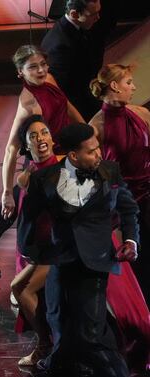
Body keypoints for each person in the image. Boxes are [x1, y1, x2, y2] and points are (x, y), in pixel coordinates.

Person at [18, 123, 139, 377]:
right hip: (60, 263)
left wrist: (130, 240)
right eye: (92, 151)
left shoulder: (109, 171)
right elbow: (28, 217)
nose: (99, 155)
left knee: (90, 335)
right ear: (74, 156)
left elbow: (128, 209)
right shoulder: (45, 178)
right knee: (60, 326)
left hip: (95, 263)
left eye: (98, 149)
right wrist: (29, 249)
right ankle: (55, 365)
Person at [0, 45, 83, 275]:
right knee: (23, 206)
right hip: (46, 159)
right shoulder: (28, 103)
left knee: (25, 204)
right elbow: (11, 149)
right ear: (20, 72)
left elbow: (66, 105)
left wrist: (86, 130)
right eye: (33, 67)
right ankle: (31, 268)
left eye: (42, 65)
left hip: (63, 155)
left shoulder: (49, 78)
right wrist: (6, 191)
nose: (40, 71)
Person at [89, 64, 150, 304]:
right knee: (137, 261)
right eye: (128, 83)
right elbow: (93, 170)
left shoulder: (141, 113)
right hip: (124, 201)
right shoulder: (97, 126)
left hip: (149, 192)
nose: (134, 87)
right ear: (114, 86)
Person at [10, 115, 57, 367]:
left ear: (52, 138)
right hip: (42, 250)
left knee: (25, 290)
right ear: (26, 146)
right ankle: (47, 343)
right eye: (33, 136)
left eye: (44, 132)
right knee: (17, 288)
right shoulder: (28, 174)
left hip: (60, 247)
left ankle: (48, 345)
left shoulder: (62, 168)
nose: (40, 138)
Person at [41, 0, 118, 122]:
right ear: (74, 14)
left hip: (88, 95)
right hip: (77, 109)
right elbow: (65, 91)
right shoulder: (59, 45)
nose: (98, 17)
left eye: (99, 11)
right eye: (93, 14)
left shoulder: (83, 25)